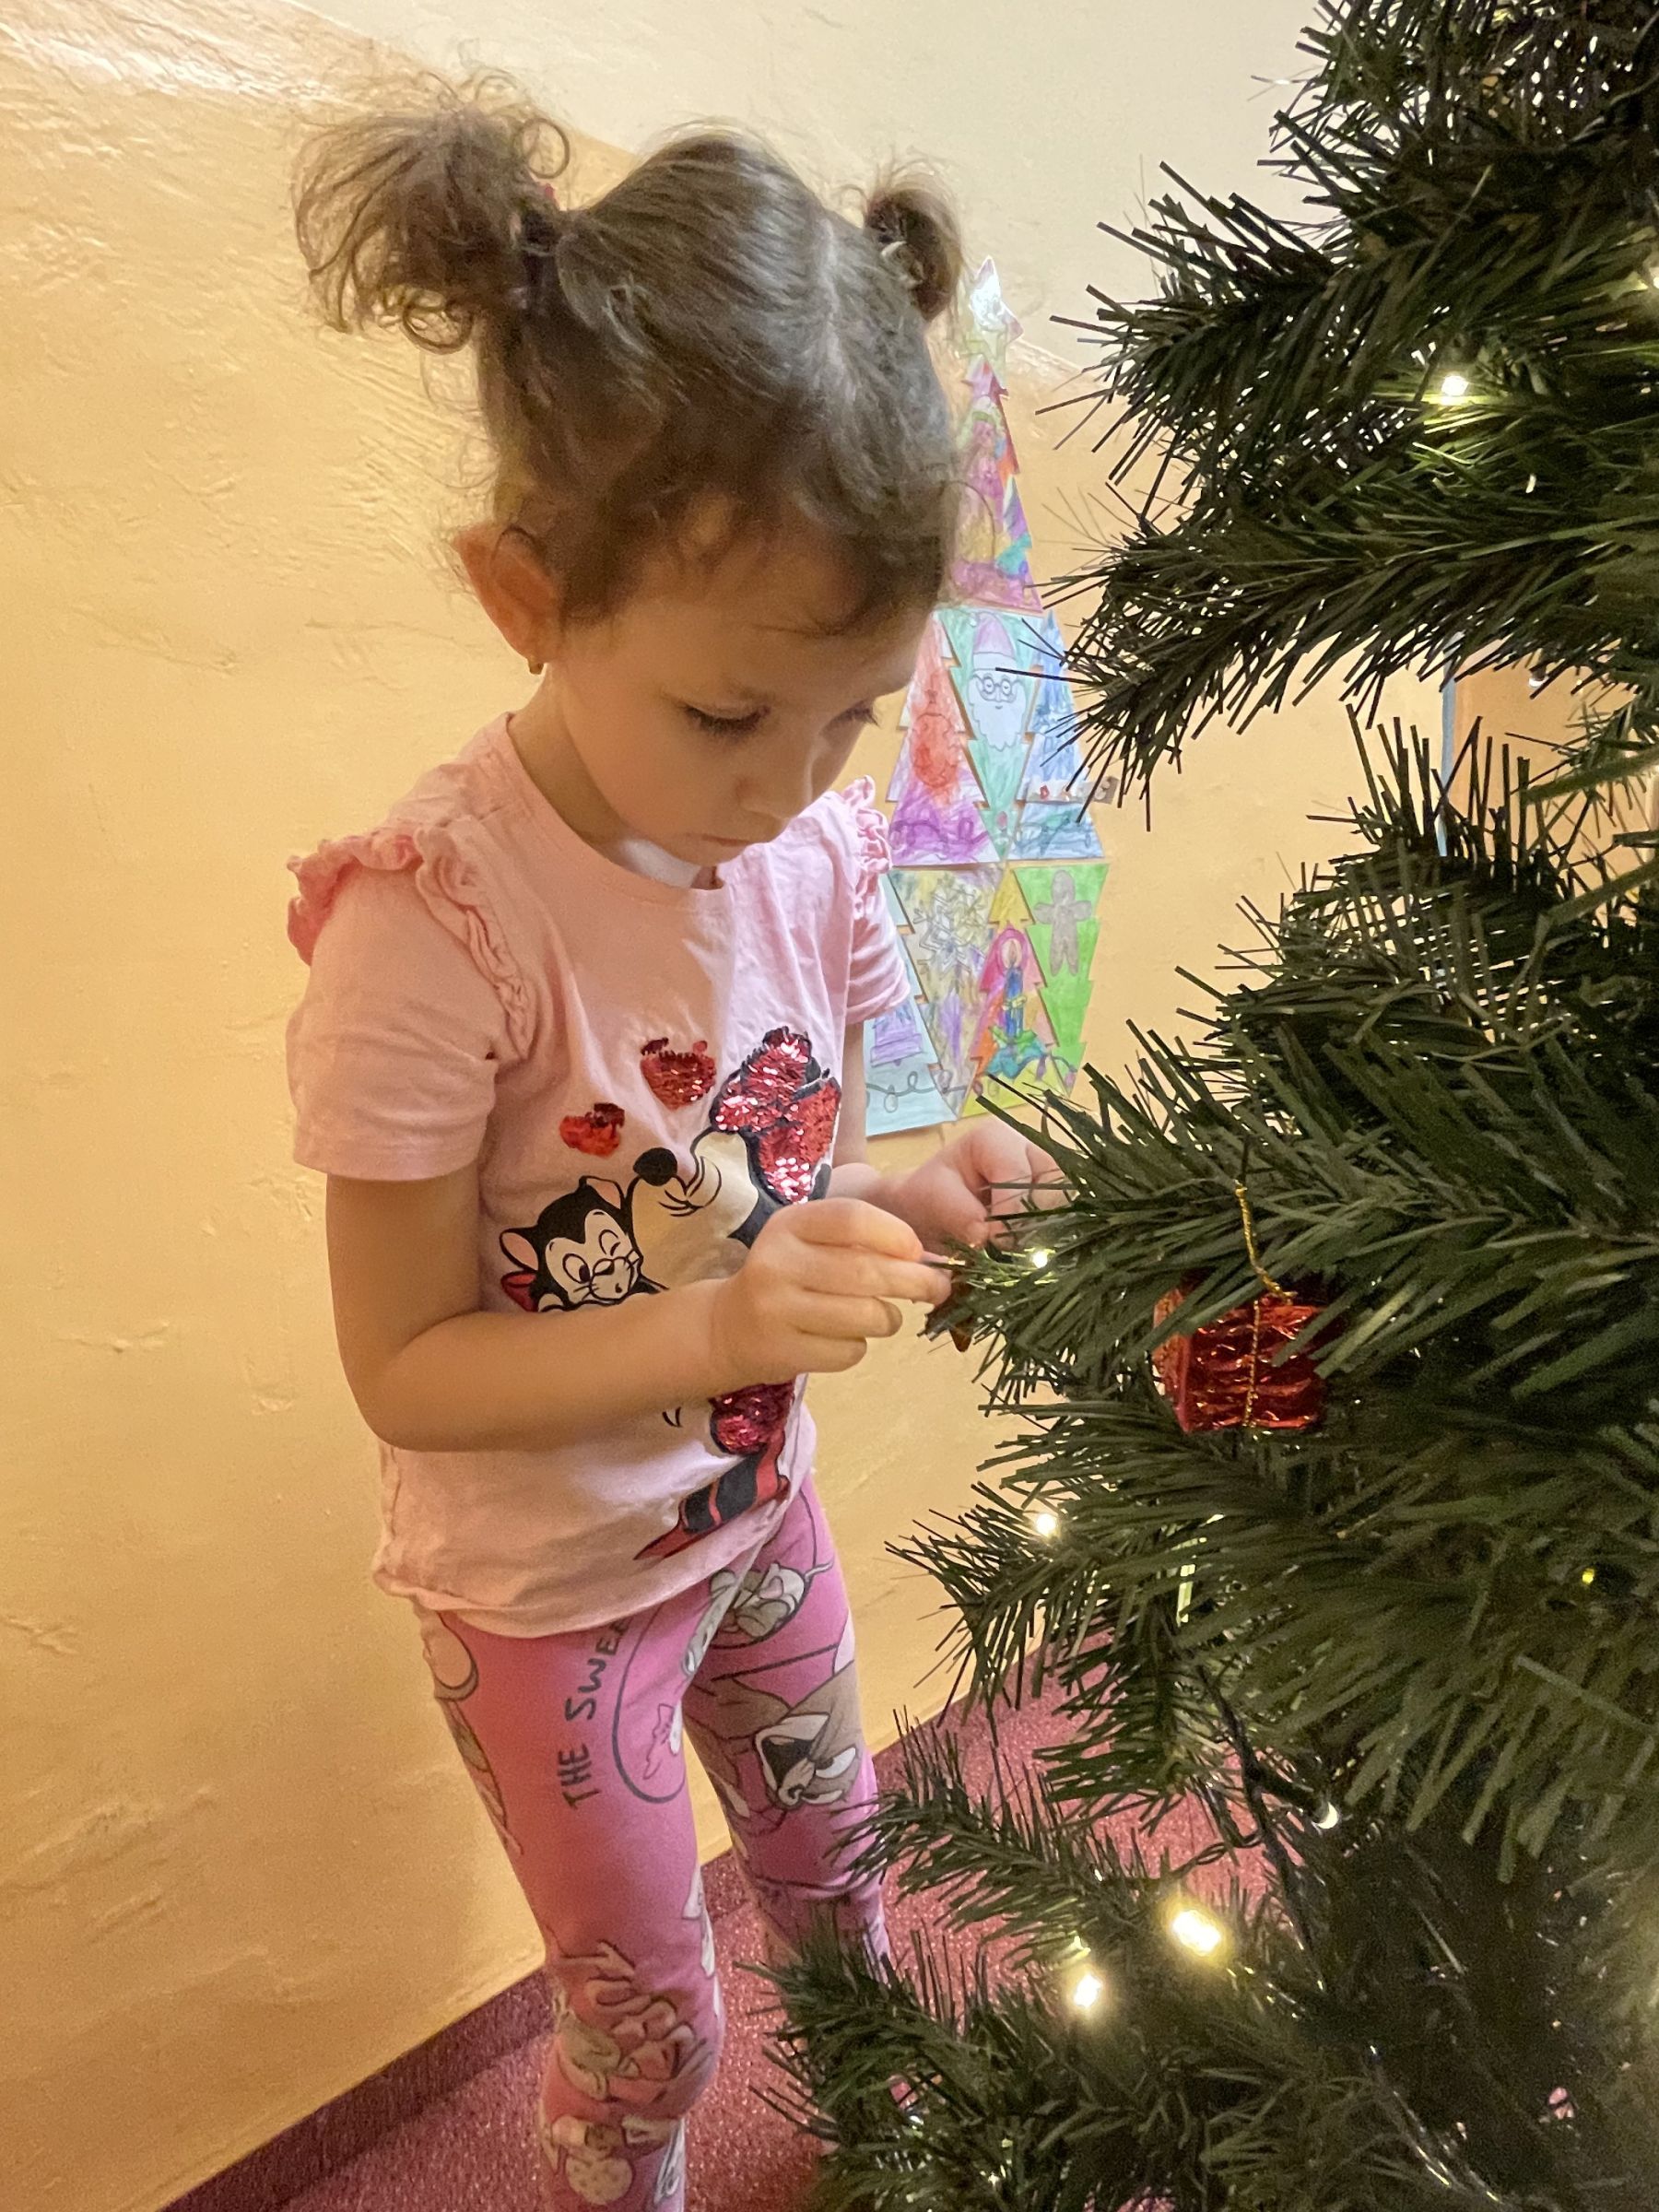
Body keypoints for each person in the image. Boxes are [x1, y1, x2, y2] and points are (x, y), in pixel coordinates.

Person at [284, 76, 1053, 2212]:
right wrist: (725, 1321)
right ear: (525, 595)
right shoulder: (432, 926)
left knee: (843, 1879)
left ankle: (897, 2150)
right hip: (551, 1602)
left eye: (852, 713)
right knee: (649, 2023)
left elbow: (774, 1200)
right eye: (731, 713)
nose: (791, 785)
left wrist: (909, 1204)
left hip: (753, 1517)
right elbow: (404, 1366)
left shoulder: (810, 852)